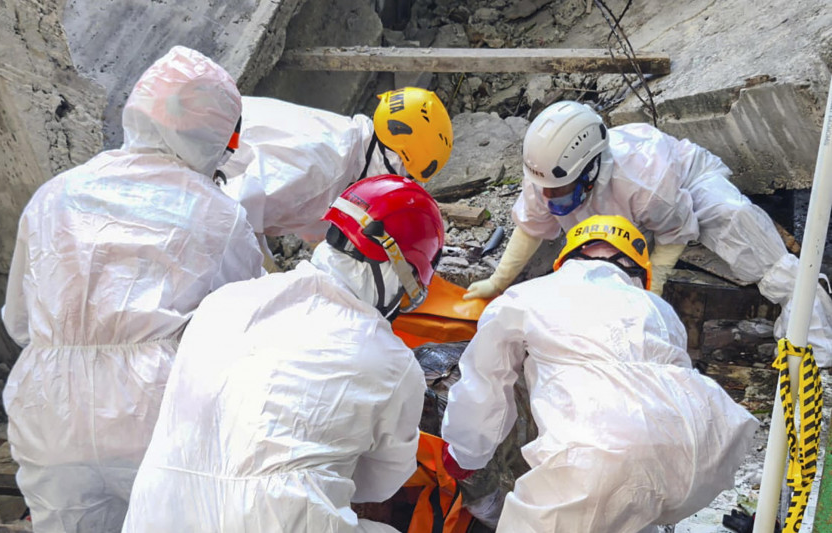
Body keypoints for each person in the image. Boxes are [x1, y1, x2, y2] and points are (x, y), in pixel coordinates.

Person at [0, 46, 264, 532]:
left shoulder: (54, 194)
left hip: (49, 414)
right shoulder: (220, 214)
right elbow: (246, 337)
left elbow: (19, 321)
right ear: (215, 136)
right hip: (156, 415)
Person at [122, 174, 445, 533]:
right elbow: (381, 483)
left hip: (158, 516)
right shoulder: (392, 363)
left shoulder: (226, 301)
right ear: (396, 270)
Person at [442, 214, 759, 533]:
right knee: (632, 514)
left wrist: (464, 453)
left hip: (596, 454)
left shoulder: (526, 297)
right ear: (639, 272)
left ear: (566, 259)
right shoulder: (658, 309)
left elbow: (485, 385)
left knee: (589, 500)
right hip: (699, 455)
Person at [462, 100, 832, 366]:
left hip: (686, 182)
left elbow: (673, 234)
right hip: (622, 203)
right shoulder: (549, 174)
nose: (550, 198)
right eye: (548, 191)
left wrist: (650, 291)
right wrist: (498, 281)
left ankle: (811, 322)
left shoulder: (646, 178)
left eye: (559, 192)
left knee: (733, 218)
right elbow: (531, 226)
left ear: (590, 167)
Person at [218, 87, 453, 254]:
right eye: (407, 176)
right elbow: (227, 216)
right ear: (394, 157)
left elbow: (315, 225)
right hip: (198, 182)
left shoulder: (346, 142)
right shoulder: (324, 172)